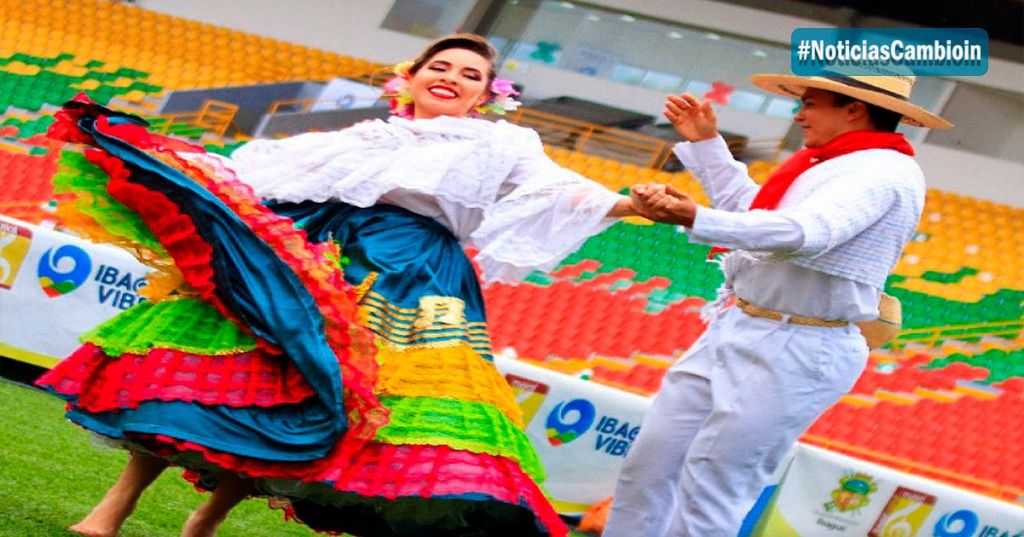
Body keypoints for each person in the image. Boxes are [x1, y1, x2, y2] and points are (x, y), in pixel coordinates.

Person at [37, 33, 639, 537]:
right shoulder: (366, 135)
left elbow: (566, 191)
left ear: (487, 95)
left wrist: (637, 204)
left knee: (326, 399)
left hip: (411, 273)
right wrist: (164, 161)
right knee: (226, 372)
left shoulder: (505, 143)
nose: (451, 77)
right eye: (440, 66)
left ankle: (208, 516)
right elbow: (254, 170)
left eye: (470, 74)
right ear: (411, 77)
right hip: (315, 251)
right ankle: (115, 506)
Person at [603, 72, 951, 536]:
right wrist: (707, 147)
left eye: (811, 103)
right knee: (650, 463)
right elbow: (761, 218)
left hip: (802, 342)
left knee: (712, 487)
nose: (799, 113)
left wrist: (696, 216)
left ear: (854, 110)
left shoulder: (882, 171)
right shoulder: (830, 162)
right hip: (743, 322)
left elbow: (806, 233)